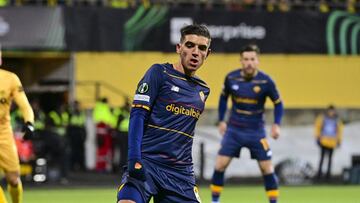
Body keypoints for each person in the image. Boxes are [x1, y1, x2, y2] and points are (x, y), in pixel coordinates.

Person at [117, 24, 211, 203]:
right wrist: (134, 158)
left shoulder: (203, 90)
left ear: (208, 53)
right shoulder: (159, 73)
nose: (195, 52)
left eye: (202, 48)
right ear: (179, 48)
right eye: (190, 45)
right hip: (147, 163)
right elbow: (138, 115)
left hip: (180, 173)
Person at [210, 44, 283, 203]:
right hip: (234, 130)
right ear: (241, 61)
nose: (249, 62)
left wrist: (276, 124)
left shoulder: (266, 81)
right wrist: (221, 120)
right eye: (246, 59)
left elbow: (278, 103)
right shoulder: (231, 78)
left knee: (267, 168)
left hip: (256, 131)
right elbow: (223, 99)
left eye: (252, 59)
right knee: (220, 165)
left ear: (257, 61)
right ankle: (215, 201)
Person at [0, 47, 34, 203]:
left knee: (13, 179)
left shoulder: (10, 79)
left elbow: (25, 105)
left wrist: (29, 123)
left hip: (3, 134)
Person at [314, 104, 343, 180]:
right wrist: (317, 138)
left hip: (332, 142)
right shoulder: (323, 118)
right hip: (324, 141)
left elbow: (339, 131)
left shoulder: (337, 120)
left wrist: (339, 141)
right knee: (322, 159)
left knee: (330, 160)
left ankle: (328, 176)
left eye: (332, 111)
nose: (331, 112)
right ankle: (319, 175)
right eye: (330, 110)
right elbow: (318, 128)